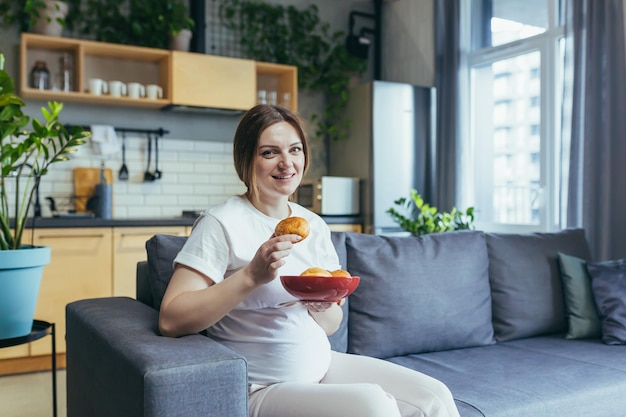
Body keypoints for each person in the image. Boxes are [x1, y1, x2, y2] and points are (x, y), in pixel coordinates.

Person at [158, 104, 461, 417]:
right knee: (374, 406)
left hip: (323, 366)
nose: (286, 163)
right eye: (269, 153)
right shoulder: (221, 223)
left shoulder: (313, 225)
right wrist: (250, 276)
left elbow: (331, 325)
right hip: (262, 386)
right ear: (246, 159)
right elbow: (171, 320)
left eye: (295, 149)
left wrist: (322, 304)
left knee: (434, 397)